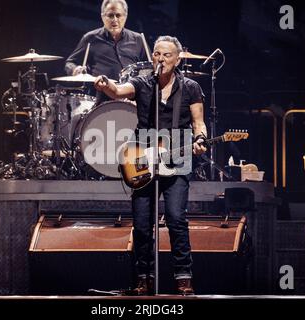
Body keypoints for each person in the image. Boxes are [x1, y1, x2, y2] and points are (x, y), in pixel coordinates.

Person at [94, 36, 208, 295]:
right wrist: (106, 84)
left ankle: (183, 277)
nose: (160, 59)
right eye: (157, 54)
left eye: (167, 55)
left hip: (178, 154)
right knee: (143, 223)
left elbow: (198, 122)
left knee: (177, 219)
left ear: (177, 59)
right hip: (143, 155)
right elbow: (119, 90)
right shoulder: (144, 82)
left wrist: (200, 138)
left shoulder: (190, 87)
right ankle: (143, 277)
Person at [64, 0, 148, 105]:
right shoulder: (90, 38)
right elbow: (70, 63)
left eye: (118, 15)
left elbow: (148, 68)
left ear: (125, 16)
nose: (115, 20)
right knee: (109, 122)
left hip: (131, 100)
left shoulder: (138, 39)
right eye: (110, 15)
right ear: (103, 16)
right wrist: (75, 69)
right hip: (100, 99)